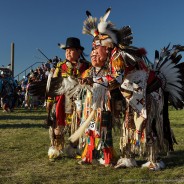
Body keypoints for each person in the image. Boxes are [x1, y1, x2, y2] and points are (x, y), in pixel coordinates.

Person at [47, 37, 91, 160]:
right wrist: (50, 101)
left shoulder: (86, 66)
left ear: (79, 52)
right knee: (58, 124)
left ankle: (73, 148)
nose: (67, 53)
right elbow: (53, 86)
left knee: (77, 125)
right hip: (62, 101)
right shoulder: (60, 66)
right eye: (66, 50)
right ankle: (56, 149)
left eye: (70, 50)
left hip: (79, 101)